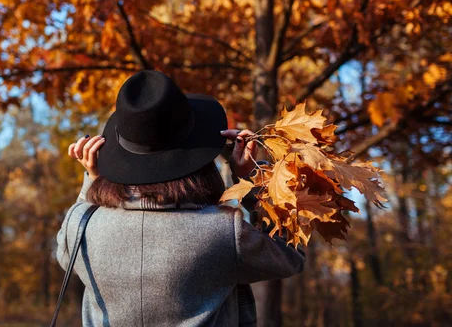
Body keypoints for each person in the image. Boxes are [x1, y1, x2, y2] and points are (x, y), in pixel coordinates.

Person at [56, 70, 305, 327]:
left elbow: (66, 255)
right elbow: (291, 255)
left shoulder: (82, 226)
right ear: (198, 158)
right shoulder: (222, 231)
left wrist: (92, 180)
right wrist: (252, 179)